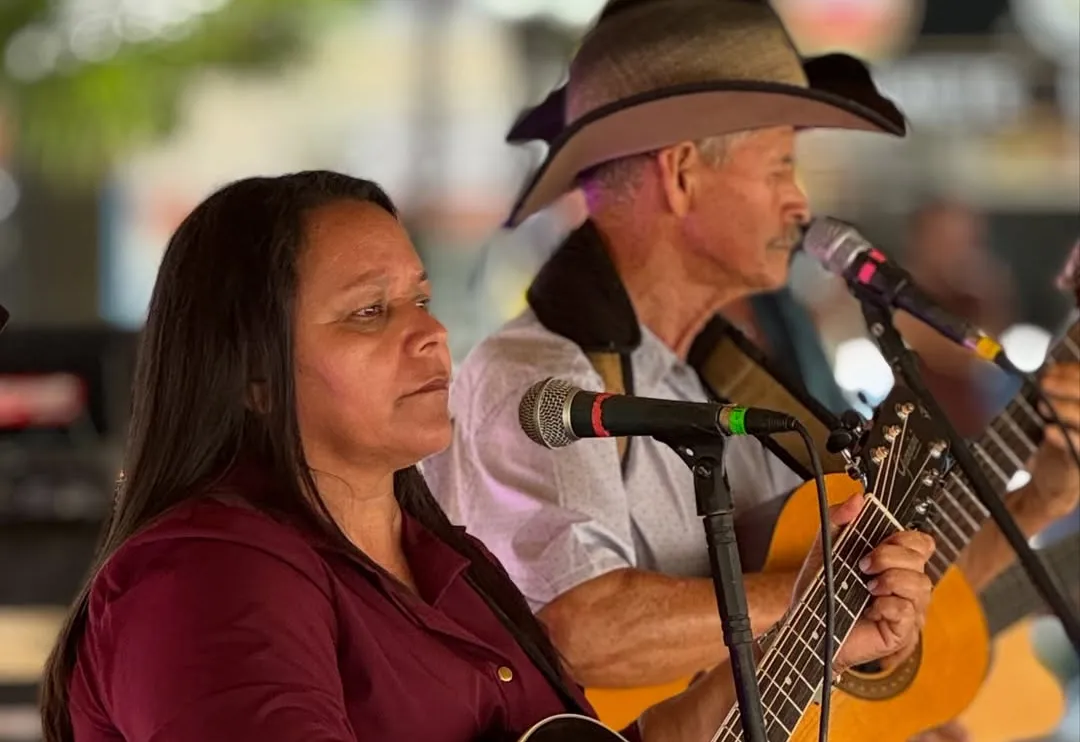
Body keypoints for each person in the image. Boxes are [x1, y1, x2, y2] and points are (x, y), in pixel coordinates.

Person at [35, 171, 932, 742]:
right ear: (253, 379)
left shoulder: (452, 562)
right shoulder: (213, 573)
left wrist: (813, 632)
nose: (430, 335)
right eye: (369, 312)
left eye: (422, 300)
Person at [422, 0, 1080, 697]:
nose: (800, 203)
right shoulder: (539, 380)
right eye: (779, 167)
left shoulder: (718, 376)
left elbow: (885, 603)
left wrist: (1039, 497)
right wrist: (818, 598)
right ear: (682, 175)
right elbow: (577, 632)